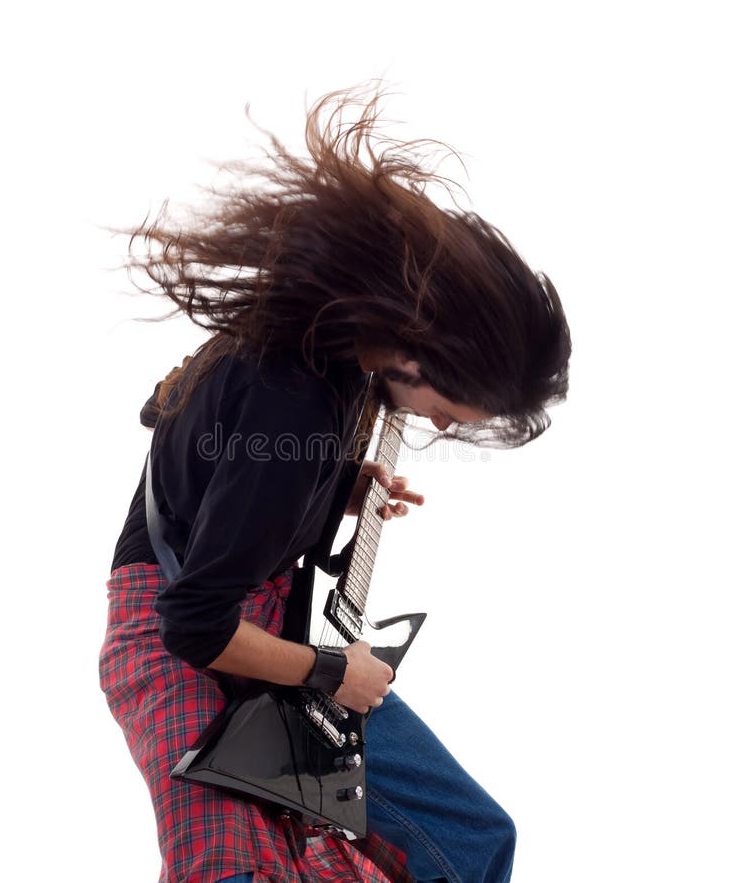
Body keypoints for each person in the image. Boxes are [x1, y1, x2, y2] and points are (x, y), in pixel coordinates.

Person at [99, 84, 571, 883]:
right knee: (240, 870)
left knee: (469, 842)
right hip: (178, 643)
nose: (446, 427)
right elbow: (193, 625)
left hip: (262, 625)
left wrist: (338, 485)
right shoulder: (297, 397)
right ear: (426, 350)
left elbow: (213, 449)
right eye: (454, 409)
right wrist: (330, 670)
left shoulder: (338, 345)